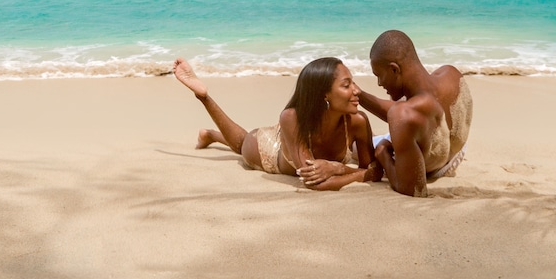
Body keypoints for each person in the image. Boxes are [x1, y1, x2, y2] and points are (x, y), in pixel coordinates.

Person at [173, 56, 379, 191]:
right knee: (242, 144)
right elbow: (314, 182)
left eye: (353, 82)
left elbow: (371, 169)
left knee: (238, 142)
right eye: (346, 85)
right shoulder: (291, 117)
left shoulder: (358, 121)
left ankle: (211, 135)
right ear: (324, 94)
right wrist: (353, 173)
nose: (356, 90)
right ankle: (205, 100)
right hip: (268, 149)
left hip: (292, 139)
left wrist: (339, 169)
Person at [357, 30, 474, 197]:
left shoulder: (404, 115)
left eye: (379, 76)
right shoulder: (452, 74)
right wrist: (361, 96)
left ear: (394, 69)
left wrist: (383, 155)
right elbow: (416, 113)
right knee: (405, 119)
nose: (379, 83)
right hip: (454, 156)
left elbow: (412, 189)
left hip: (425, 167)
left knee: (357, 146)